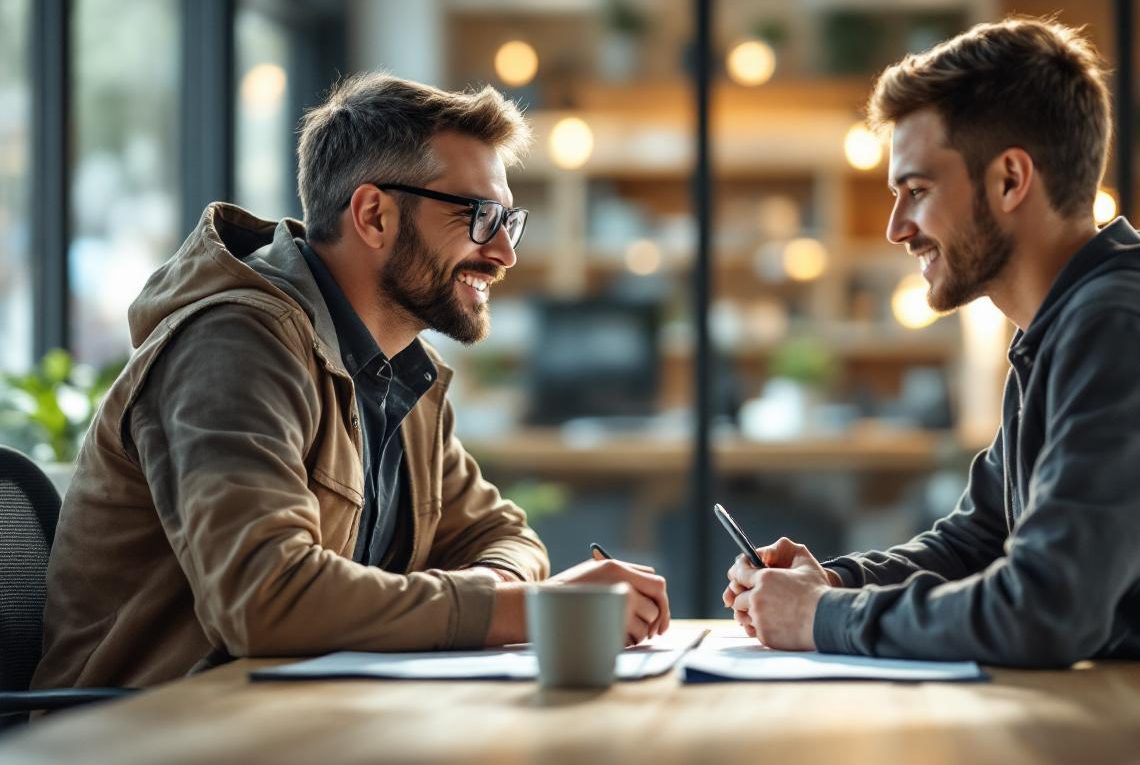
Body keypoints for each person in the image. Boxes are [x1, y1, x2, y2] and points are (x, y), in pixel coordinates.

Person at [725, 17, 1140, 724]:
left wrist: (824, 616)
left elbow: (1046, 609)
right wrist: (834, 580)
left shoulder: (1127, 331)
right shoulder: (1064, 327)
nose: (897, 227)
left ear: (1012, 178)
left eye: (917, 189)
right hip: (1132, 720)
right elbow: (980, 538)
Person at [34, 74, 668, 691]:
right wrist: (527, 608)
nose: (504, 252)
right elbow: (266, 599)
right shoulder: (234, 346)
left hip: (291, 722)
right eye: (479, 216)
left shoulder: (400, 371)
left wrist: (504, 594)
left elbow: (502, 535)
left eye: (509, 220)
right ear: (374, 216)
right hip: (146, 734)